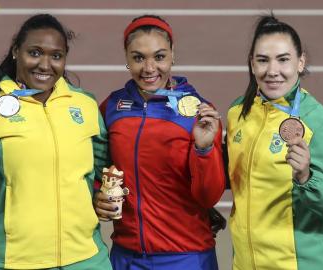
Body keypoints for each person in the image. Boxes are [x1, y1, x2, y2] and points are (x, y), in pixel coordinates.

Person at [0, 14, 112, 270]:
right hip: (12, 262)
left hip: (87, 259)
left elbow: (104, 169)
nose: (45, 65)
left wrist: (104, 195)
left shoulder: (84, 104)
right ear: (16, 51)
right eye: (34, 53)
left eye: (56, 56)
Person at [93, 15, 226, 270]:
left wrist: (204, 148)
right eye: (138, 57)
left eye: (159, 56)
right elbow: (98, 165)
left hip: (187, 256)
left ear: (173, 55)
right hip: (127, 255)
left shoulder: (198, 113)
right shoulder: (112, 107)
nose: (149, 68)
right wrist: (97, 193)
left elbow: (209, 196)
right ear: (126, 58)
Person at [226, 14, 323, 270]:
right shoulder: (239, 112)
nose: (272, 71)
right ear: (252, 64)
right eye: (263, 60)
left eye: (283, 60)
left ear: (300, 62)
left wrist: (307, 177)